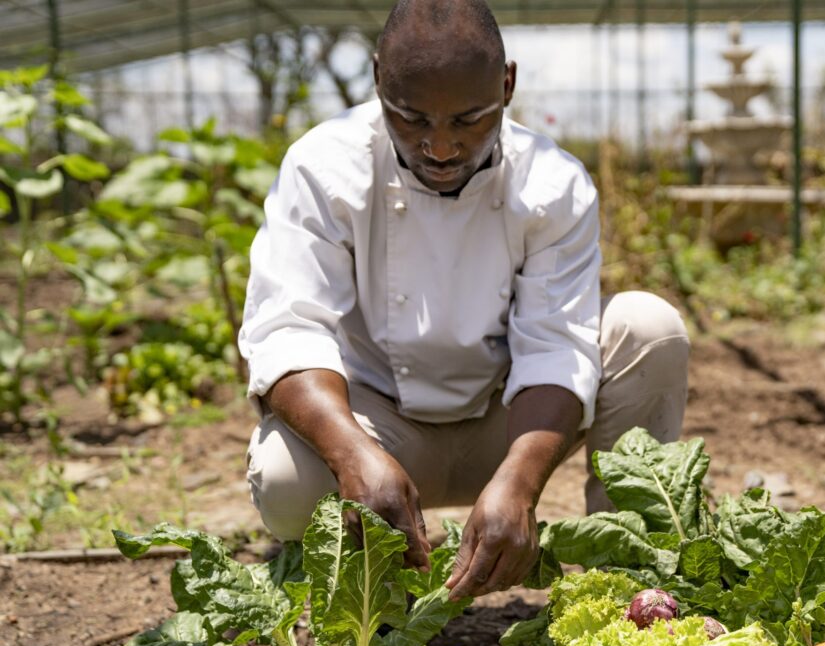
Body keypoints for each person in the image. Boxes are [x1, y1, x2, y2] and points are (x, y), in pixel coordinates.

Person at [238, 0, 689, 601]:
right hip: (378, 426)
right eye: (411, 118)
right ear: (378, 79)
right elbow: (287, 329)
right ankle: (369, 606)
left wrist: (522, 483)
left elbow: (556, 345)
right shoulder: (323, 166)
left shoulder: (553, 183)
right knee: (284, 479)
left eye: (471, 120)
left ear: (507, 85)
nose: (442, 147)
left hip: (503, 423)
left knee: (648, 327)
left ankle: (627, 589)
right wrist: (353, 455)